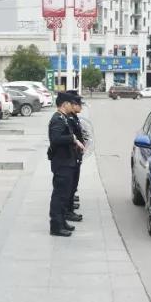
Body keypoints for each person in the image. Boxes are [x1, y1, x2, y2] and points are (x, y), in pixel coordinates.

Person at [47, 92, 84, 237]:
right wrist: (72, 138)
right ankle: (56, 226)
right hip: (61, 164)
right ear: (64, 104)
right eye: (70, 103)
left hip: (67, 162)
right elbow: (55, 139)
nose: (72, 105)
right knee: (59, 196)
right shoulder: (57, 119)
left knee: (65, 195)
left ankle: (62, 222)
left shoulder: (62, 118)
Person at [66, 92, 87, 221]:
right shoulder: (69, 118)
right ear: (73, 105)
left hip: (77, 153)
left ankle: (70, 205)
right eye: (79, 104)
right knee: (70, 183)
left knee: (74, 182)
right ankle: (68, 210)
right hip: (72, 154)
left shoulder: (73, 117)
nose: (81, 107)